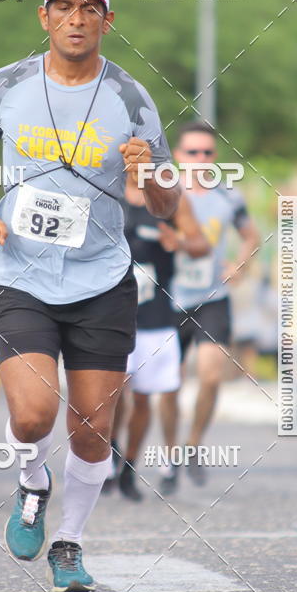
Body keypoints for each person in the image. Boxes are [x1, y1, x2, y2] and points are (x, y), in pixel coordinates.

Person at [0, 0, 179, 592]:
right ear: (44, 17)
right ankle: (32, 484)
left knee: (90, 428)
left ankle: (70, 544)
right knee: (31, 418)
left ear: (107, 22)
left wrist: (152, 173)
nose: (76, 20)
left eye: (89, 9)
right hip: (20, 277)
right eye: (64, 8)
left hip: (101, 280)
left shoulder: (131, 100)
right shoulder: (8, 85)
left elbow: (167, 207)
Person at [158, 121, 260, 488]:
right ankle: (170, 455)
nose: (200, 159)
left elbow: (250, 236)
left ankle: (194, 444)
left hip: (212, 297)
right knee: (168, 384)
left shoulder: (227, 195)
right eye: (192, 152)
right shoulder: (164, 194)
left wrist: (241, 265)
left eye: (206, 153)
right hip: (168, 298)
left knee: (212, 374)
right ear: (178, 156)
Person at [107, 171, 209, 500]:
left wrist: (179, 243)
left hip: (155, 317)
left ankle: (129, 467)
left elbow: (201, 245)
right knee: (109, 394)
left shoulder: (169, 199)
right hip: (107, 313)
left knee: (143, 397)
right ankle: (109, 451)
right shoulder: (102, 192)